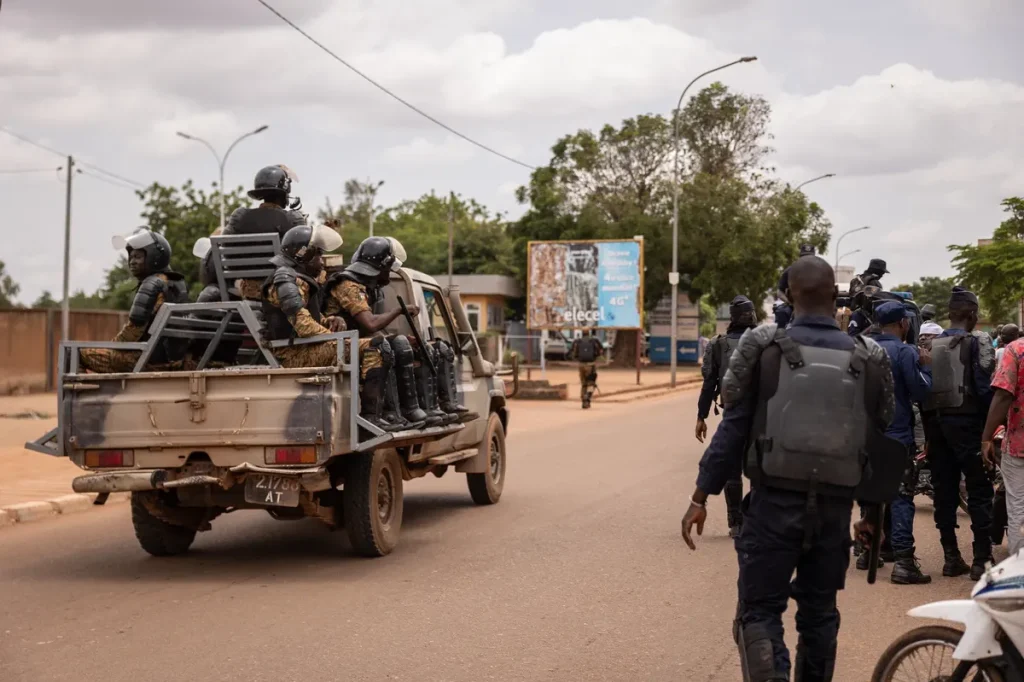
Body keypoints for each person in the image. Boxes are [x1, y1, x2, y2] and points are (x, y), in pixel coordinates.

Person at [681, 256, 894, 681]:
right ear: (836, 296)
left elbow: (733, 431)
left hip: (771, 507)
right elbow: (878, 440)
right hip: (834, 513)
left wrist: (699, 497)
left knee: (759, 613)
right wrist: (872, 515)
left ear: (787, 295)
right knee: (820, 619)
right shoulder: (869, 357)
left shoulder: (763, 347)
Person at [321, 235, 446, 431]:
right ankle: (387, 413)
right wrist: (399, 311)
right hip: (336, 346)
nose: (390, 273)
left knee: (406, 344)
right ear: (380, 267)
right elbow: (370, 324)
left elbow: (369, 328)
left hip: (354, 342)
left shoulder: (367, 286)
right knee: (387, 347)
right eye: (388, 268)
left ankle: (412, 411)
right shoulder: (349, 286)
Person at [927, 286, 995, 580]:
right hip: (969, 426)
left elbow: (926, 392)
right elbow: (983, 389)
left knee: (944, 492)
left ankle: (950, 557)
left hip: (938, 426)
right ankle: (981, 559)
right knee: (979, 490)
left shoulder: (934, 343)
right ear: (972, 314)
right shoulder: (978, 342)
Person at [871, 301, 934, 584]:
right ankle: (904, 563)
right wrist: (927, 368)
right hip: (897, 435)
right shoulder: (905, 352)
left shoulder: (861, 349)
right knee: (901, 496)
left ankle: (867, 552)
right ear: (903, 324)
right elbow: (921, 392)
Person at [80, 229, 189, 373]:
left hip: (148, 360)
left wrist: (110, 347)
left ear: (154, 256)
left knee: (76, 354)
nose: (132, 262)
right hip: (172, 358)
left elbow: (132, 332)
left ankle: (80, 395)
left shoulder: (152, 283)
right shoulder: (176, 283)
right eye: (130, 257)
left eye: (137, 257)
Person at [696, 294, 757, 539]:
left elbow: (709, 383)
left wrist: (701, 416)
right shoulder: (767, 342)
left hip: (732, 415)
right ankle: (753, 519)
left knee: (732, 470)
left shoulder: (718, 345)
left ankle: (736, 522)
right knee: (759, 470)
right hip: (763, 417)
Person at [261, 222, 347, 366]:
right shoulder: (285, 280)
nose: (322, 262)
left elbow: (308, 317)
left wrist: (330, 321)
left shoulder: (299, 280)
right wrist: (337, 337)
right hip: (293, 353)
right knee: (376, 348)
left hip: (306, 347)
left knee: (379, 345)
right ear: (304, 255)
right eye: (319, 255)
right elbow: (304, 326)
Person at [224, 165, 307, 300]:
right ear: (284, 192)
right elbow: (303, 256)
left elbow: (226, 247)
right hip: (279, 291)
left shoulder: (239, 217)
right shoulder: (292, 219)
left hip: (247, 291)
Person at [984, 334, 1024, 556]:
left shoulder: (1016, 350)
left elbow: (1003, 396)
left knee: (1018, 508)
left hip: (1019, 445)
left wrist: (986, 437)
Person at [570, 330, 604, 408]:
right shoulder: (594, 341)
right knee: (591, 383)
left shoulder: (578, 341)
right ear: (589, 333)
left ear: (582, 333)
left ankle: (583, 400)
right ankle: (587, 397)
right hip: (591, 365)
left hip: (581, 365)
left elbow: (573, 354)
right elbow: (600, 351)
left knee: (583, 384)